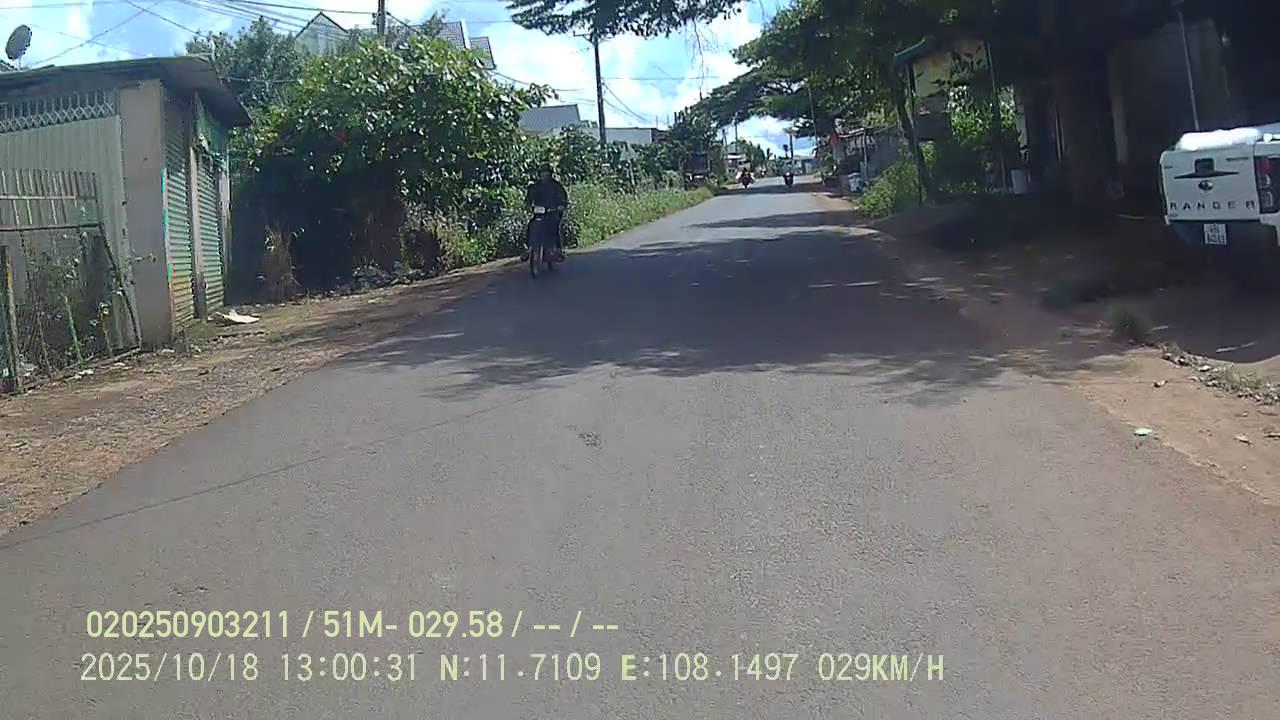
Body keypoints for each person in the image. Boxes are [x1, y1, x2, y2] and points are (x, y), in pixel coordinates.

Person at [523, 164, 568, 261]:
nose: (544, 175)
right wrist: (528, 205)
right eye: (542, 173)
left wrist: (561, 205)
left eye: (546, 173)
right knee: (531, 226)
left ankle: (558, 250)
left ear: (550, 174)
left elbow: (563, 198)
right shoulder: (535, 186)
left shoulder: (556, 186)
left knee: (554, 227)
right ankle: (528, 248)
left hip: (553, 213)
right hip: (539, 213)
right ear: (539, 174)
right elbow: (529, 198)